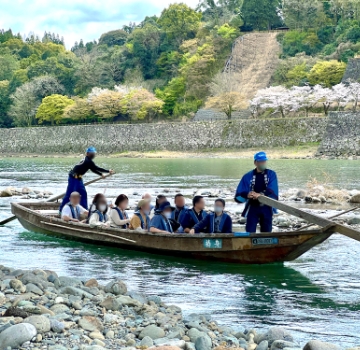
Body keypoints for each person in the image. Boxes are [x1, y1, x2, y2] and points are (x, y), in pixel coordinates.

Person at [235, 151, 279, 233]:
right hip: (253, 207)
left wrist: (260, 195)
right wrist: (248, 194)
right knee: (250, 231)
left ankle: (266, 245)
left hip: (266, 206)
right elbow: (241, 191)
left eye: (264, 161)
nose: (263, 163)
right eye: (261, 161)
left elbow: (272, 188)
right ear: (255, 163)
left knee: (266, 232)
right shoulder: (248, 176)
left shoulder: (271, 174)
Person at [60, 147, 114, 211]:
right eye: (92, 153)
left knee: (83, 194)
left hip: (79, 179)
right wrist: (108, 171)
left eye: (94, 154)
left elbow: (93, 169)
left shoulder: (88, 160)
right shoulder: (87, 161)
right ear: (87, 153)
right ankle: (61, 210)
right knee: (69, 194)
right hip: (73, 178)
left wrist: (101, 174)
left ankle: (84, 210)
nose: (93, 155)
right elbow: (96, 168)